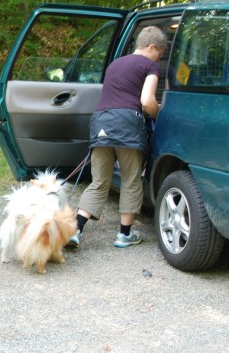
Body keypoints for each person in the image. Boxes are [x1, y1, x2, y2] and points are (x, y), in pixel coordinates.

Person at [68, 26, 167, 249]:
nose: (158, 59)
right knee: (131, 179)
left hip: (101, 121)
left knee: (99, 180)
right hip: (128, 123)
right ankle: (124, 235)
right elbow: (146, 101)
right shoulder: (149, 65)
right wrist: (159, 113)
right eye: (159, 54)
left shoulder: (115, 63)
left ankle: (75, 230)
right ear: (151, 47)